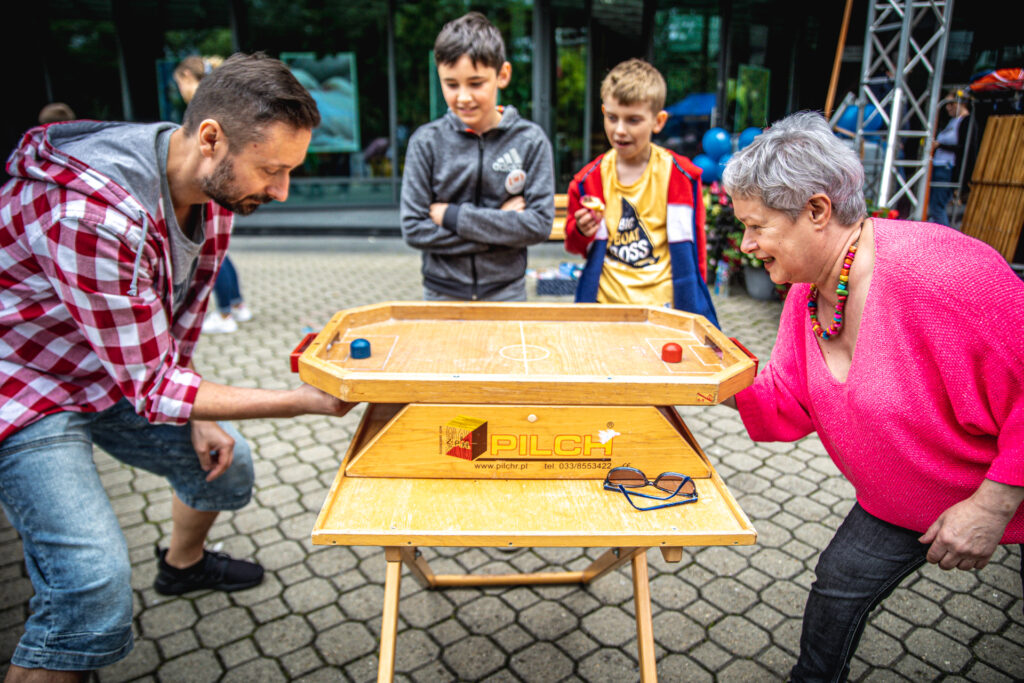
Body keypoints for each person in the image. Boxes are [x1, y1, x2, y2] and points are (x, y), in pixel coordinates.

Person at [0, 52, 355, 681]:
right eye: (272, 170)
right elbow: (155, 386)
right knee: (92, 589)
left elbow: (182, 319)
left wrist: (194, 411)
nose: (281, 191)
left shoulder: (212, 191)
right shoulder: (94, 217)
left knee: (227, 463)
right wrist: (304, 399)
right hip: (29, 381)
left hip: (114, 371)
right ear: (212, 138)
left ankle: (182, 566)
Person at [720, 110, 1024, 681]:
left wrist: (991, 506)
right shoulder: (806, 296)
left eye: (757, 226)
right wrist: (715, 378)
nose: (746, 244)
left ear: (817, 211)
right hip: (902, 495)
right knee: (838, 583)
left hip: (1003, 481)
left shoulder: (942, 273)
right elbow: (790, 401)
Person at [400, 11, 555, 301]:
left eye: (476, 83)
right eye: (451, 84)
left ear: (503, 75)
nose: (463, 97)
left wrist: (453, 216)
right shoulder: (425, 142)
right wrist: (500, 227)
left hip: (507, 293)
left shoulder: (531, 141)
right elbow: (414, 229)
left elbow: (538, 225)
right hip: (441, 294)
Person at [563, 59, 717, 327]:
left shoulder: (681, 176)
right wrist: (581, 230)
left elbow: (696, 250)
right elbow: (573, 245)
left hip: (663, 310)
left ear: (658, 121)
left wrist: (696, 298)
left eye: (633, 120)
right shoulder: (588, 180)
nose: (620, 130)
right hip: (605, 307)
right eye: (612, 117)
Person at [174, 54, 252, 333]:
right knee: (221, 251)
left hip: (210, 188)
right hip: (226, 186)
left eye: (179, 82)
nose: (179, 90)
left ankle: (224, 314)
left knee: (210, 252)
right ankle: (237, 306)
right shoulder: (221, 104)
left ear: (186, 77)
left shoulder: (200, 109)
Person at [929, 90, 972, 228]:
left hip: (948, 167)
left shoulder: (966, 121)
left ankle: (946, 240)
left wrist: (940, 145)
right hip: (939, 166)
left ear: (961, 103)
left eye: (951, 104)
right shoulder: (952, 121)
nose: (948, 107)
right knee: (934, 206)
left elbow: (966, 147)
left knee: (937, 207)